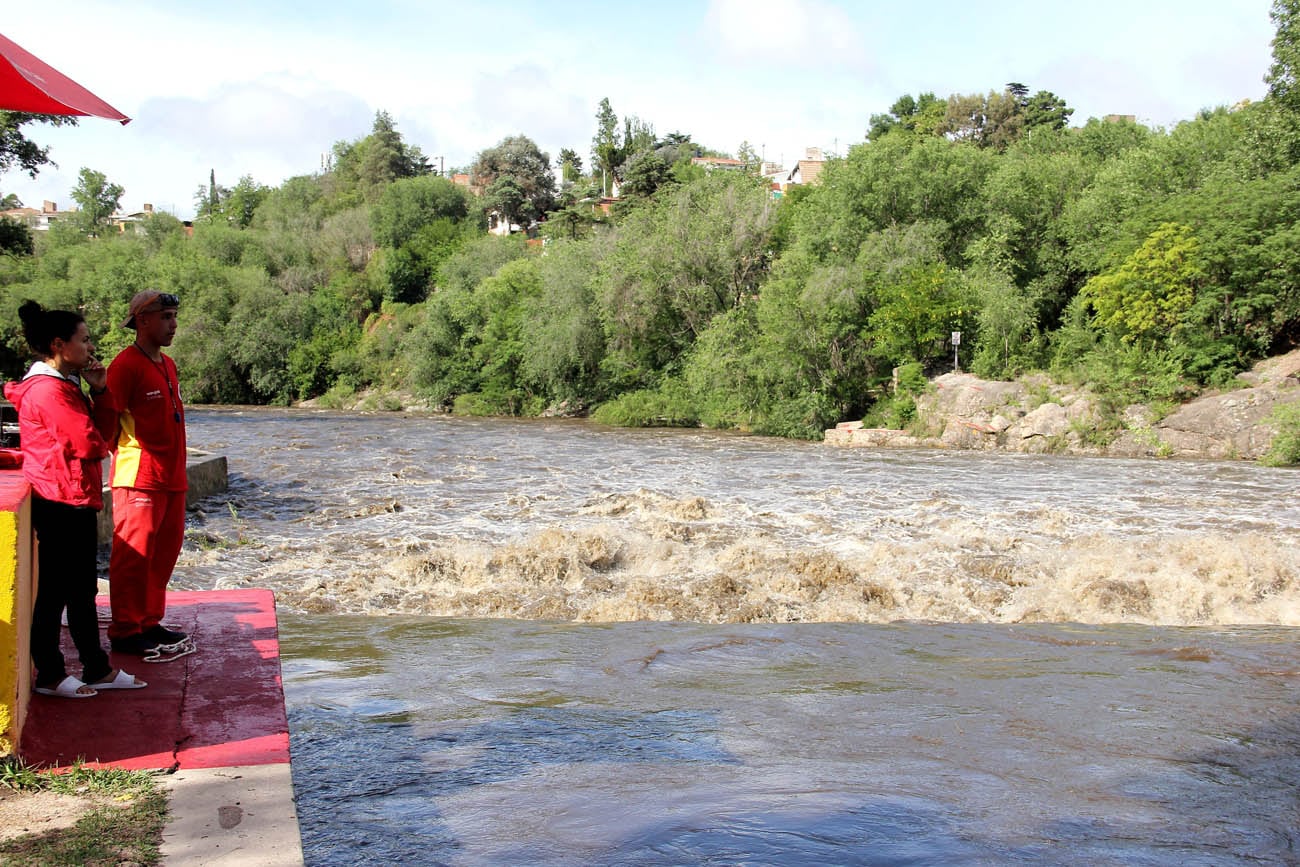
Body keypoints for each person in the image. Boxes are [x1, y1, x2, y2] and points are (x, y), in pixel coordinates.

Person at [4, 301, 146, 697]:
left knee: (80, 590)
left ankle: (95, 668)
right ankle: (50, 675)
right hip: (59, 498)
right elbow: (91, 444)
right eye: (83, 340)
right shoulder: (49, 392)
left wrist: (101, 391)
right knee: (55, 592)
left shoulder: (66, 386)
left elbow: (101, 436)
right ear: (58, 345)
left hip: (74, 495)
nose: (90, 347)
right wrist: (98, 424)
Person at [106, 290, 192, 659]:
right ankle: (126, 630)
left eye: (174, 316)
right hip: (138, 475)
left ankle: (148, 621)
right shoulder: (125, 366)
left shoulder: (167, 364)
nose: (173, 324)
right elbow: (107, 421)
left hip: (172, 476)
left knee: (163, 554)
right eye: (165, 316)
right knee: (134, 556)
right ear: (142, 321)